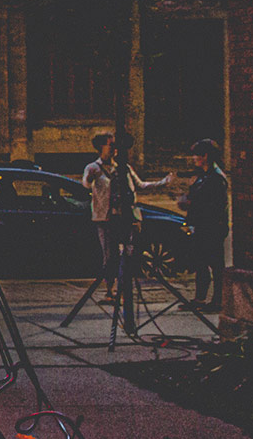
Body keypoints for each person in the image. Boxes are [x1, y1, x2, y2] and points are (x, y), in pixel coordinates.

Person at [82, 131, 171, 302]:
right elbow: (86, 181)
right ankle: (110, 290)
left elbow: (140, 185)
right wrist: (88, 182)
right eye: (110, 144)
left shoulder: (124, 168)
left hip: (124, 218)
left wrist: (163, 182)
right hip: (105, 219)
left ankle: (123, 291)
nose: (114, 148)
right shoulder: (93, 167)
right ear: (101, 147)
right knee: (109, 256)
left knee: (127, 256)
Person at [179, 138, 229, 308]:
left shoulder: (216, 177)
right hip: (201, 226)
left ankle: (218, 300)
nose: (194, 159)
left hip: (212, 227)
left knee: (215, 265)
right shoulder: (204, 176)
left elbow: (215, 204)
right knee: (200, 263)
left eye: (196, 155)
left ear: (205, 156)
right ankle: (200, 298)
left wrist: (193, 204)